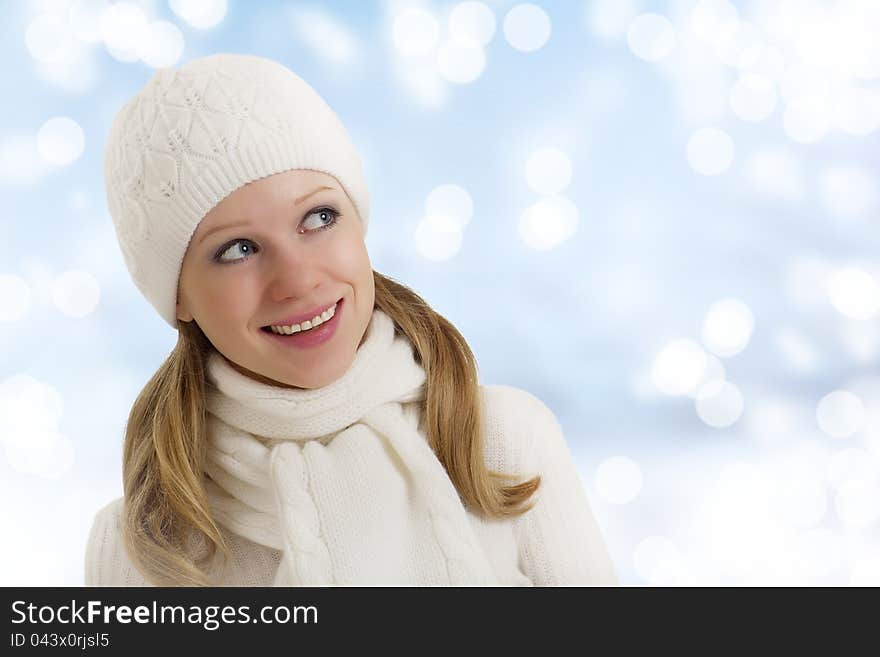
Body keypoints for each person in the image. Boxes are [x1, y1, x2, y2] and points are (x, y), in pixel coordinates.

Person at [86, 53, 617, 587]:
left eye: (318, 218)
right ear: (178, 297)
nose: (298, 280)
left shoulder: (501, 442)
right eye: (238, 249)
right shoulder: (146, 546)